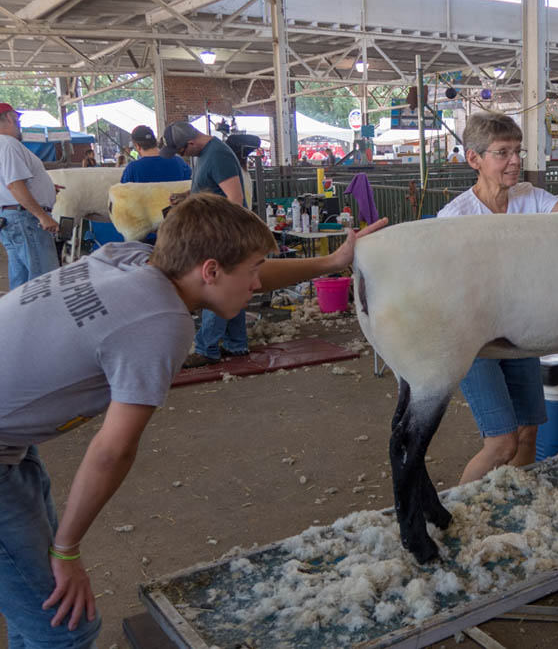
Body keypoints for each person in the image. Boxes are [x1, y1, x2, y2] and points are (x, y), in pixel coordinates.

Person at [0, 193, 386, 648]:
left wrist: (332, 261)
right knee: (63, 628)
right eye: (254, 269)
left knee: (35, 607)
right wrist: (67, 551)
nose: (257, 282)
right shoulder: (161, 322)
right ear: (210, 271)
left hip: (13, 446)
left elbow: (239, 275)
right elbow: (113, 449)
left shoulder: (132, 258)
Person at [437, 112, 558, 485]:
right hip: (474, 339)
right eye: (502, 152)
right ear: (475, 160)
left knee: (528, 432)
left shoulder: (530, 198)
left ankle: (512, 499)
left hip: (519, 333)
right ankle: (457, 511)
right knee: (501, 443)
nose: (515, 160)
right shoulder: (455, 218)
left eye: (517, 151)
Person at [159, 121, 249, 368]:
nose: (181, 156)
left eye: (180, 151)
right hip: (221, 230)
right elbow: (212, 189)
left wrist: (221, 236)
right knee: (232, 285)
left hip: (224, 233)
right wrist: (186, 197)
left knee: (215, 287)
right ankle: (236, 342)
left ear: (190, 143)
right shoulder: (205, 155)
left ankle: (207, 348)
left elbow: (235, 199)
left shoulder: (217, 154)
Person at [0, 102, 60, 290]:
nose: (19, 124)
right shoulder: (9, 144)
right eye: (17, 119)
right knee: (44, 280)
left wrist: (46, 187)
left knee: (22, 282)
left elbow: (10, 183)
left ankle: (17, 318)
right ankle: (45, 318)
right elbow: (14, 184)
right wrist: (41, 216)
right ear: (10, 117)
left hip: (12, 218)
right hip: (26, 219)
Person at [120, 125, 192, 183]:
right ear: (155, 141)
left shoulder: (132, 169)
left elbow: (123, 194)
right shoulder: (179, 162)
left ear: (137, 146)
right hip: (176, 201)